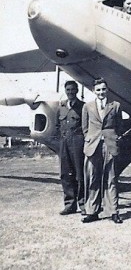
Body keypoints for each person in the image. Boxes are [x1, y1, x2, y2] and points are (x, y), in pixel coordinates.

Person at [81, 78, 123, 224]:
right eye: (98, 90)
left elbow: (119, 125)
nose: (101, 92)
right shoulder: (87, 106)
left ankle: (113, 211)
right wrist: (91, 139)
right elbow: (85, 128)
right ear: (93, 91)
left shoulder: (115, 106)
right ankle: (91, 211)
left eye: (103, 89)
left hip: (109, 144)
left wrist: (113, 138)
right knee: (92, 178)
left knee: (111, 179)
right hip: (93, 145)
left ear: (107, 90)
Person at [56, 81, 85, 215]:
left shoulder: (83, 107)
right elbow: (57, 125)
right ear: (65, 91)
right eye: (68, 90)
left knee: (80, 174)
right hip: (64, 143)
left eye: (73, 89)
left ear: (77, 90)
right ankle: (70, 205)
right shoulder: (61, 107)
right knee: (65, 174)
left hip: (78, 142)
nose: (70, 92)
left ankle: (83, 204)